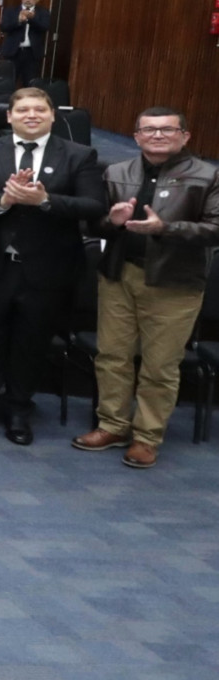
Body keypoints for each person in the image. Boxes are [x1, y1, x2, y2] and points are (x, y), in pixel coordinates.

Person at [75, 108, 219, 468]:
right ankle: (113, 425)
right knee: (112, 356)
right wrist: (112, 220)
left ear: (185, 136)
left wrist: (165, 230)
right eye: (149, 130)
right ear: (136, 136)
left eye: (167, 129)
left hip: (175, 283)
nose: (158, 135)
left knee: (160, 367)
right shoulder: (117, 171)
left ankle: (146, 437)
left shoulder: (208, 175)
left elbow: (215, 229)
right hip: (119, 276)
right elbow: (93, 224)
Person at [0, 87, 105, 443]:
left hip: (46, 268)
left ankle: (18, 412)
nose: (31, 115)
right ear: (9, 116)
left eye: (39, 109)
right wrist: (5, 200)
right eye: (22, 109)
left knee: (31, 343)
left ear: (53, 115)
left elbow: (92, 206)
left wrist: (45, 201)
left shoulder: (79, 154)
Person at [0, 0, 49, 89]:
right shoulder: (11, 11)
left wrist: (32, 19)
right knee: (7, 82)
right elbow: (4, 27)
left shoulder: (43, 12)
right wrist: (19, 21)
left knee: (30, 83)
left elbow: (44, 27)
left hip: (31, 54)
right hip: (12, 53)